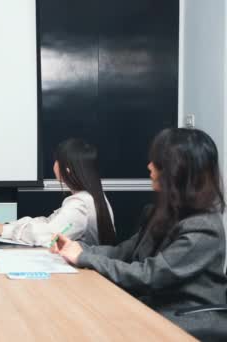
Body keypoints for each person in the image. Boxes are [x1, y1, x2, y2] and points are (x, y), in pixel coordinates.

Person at [51, 128, 227, 339]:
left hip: (182, 316)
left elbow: (149, 275)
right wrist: (79, 249)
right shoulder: (163, 212)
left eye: (157, 162)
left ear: (177, 170)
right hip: (153, 302)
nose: (149, 166)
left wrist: (84, 257)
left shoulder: (203, 229)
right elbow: (123, 251)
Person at [0, 139, 115, 246]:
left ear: (66, 170)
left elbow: (48, 235)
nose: (54, 164)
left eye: (57, 160)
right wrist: (7, 226)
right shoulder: (91, 197)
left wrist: (4, 230)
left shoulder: (80, 204)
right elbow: (48, 222)